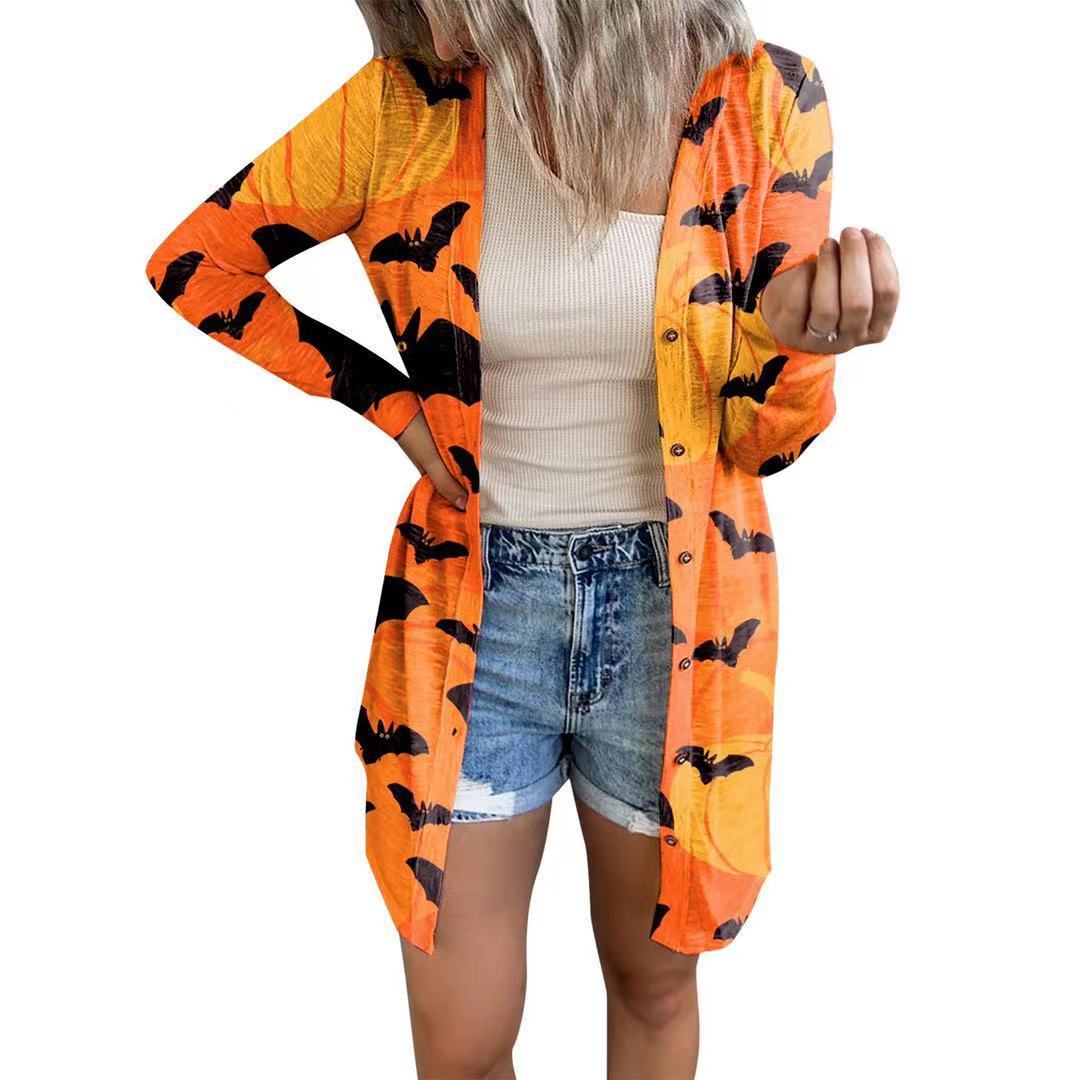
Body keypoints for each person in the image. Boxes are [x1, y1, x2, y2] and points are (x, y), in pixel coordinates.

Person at [145, 1, 898, 1076]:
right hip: (472, 614)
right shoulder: (404, 109)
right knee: (463, 1043)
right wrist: (390, 405)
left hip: (678, 619)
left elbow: (763, 442)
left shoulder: (763, 99)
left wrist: (799, 347)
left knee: (653, 983)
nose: (415, 18)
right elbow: (198, 263)